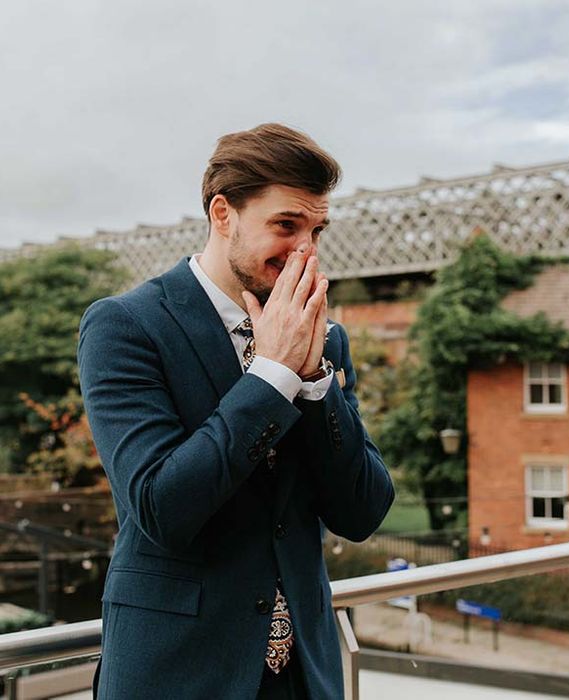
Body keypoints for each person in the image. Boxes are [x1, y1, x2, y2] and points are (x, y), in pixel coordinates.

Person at [78, 123, 394, 699]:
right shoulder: (125, 326)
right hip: (178, 673)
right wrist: (273, 375)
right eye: (286, 225)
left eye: (317, 229)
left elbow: (363, 512)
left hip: (305, 674)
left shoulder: (326, 339)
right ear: (223, 214)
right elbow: (160, 506)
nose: (306, 250)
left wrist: (316, 377)